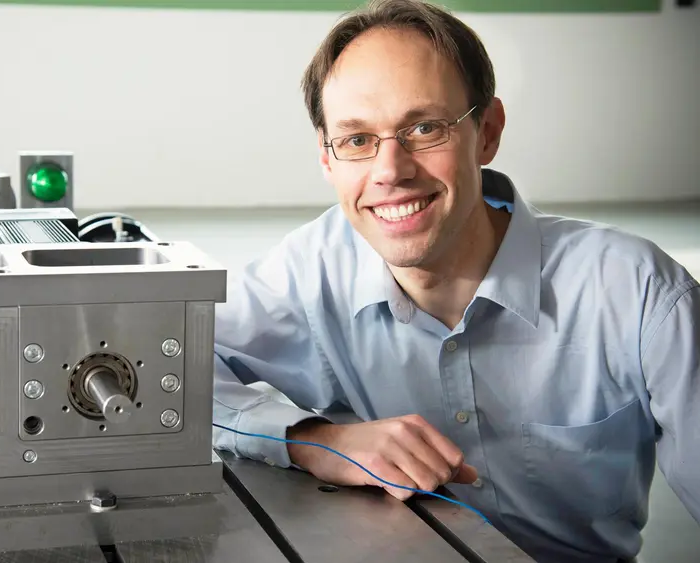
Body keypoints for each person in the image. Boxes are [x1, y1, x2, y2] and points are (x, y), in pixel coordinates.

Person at [209, 1, 700, 562]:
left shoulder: (638, 294)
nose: (390, 171)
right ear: (327, 158)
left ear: (487, 132)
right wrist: (315, 440)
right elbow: (167, 375)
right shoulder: (310, 270)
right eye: (357, 140)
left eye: (425, 128)